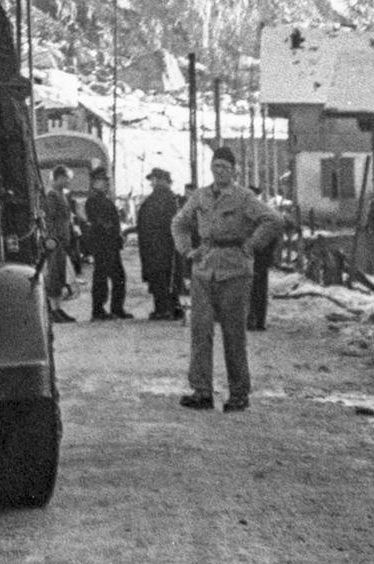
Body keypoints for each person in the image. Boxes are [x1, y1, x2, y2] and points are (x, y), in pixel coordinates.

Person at [171, 145, 278, 410]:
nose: (220, 171)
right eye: (217, 166)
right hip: (204, 268)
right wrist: (187, 250)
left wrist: (252, 244)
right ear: (211, 168)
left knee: (234, 334)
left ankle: (239, 393)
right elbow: (179, 223)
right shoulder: (200, 196)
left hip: (234, 271)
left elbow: (272, 219)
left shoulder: (243, 198)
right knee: (201, 332)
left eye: (226, 167)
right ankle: (202, 391)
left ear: (234, 171)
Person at [82, 164, 129, 320]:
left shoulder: (104, 199)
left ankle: (116, 308)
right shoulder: (93, 201)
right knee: (102, 278)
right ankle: (99, 310)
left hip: (110, 244)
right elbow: (99, 221)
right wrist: (111, 231)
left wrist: (117, 234)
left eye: (106, 180)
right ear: (94, 182)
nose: (106, 183)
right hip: (103, 244)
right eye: (103, 180)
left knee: (118, 277)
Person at [137, 168, 183, 320]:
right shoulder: (169, 198)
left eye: (155, 179)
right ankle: (171, 307)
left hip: (158, 245)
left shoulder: (161, 199)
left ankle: (164, 309)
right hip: (163, 245)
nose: (152, 182)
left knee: (161, 277)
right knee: (167, 276)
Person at [39, 164, 78, 320]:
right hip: (55, 242)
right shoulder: (52, 196)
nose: (68, 182)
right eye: (66, 179)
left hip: (62, 241)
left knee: (60, 276)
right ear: (58, 177)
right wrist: (53, 239)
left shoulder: (62, 195)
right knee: (54, 276)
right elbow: (50, 221)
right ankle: (54, 310)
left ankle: (58, 309)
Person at [246, 192, 286, 333]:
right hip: (265, 249)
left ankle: (252, 320)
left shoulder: (248, 209)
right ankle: (258, 321)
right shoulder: (266, 211)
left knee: (251, 285)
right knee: (259, 285)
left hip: (259, 250)